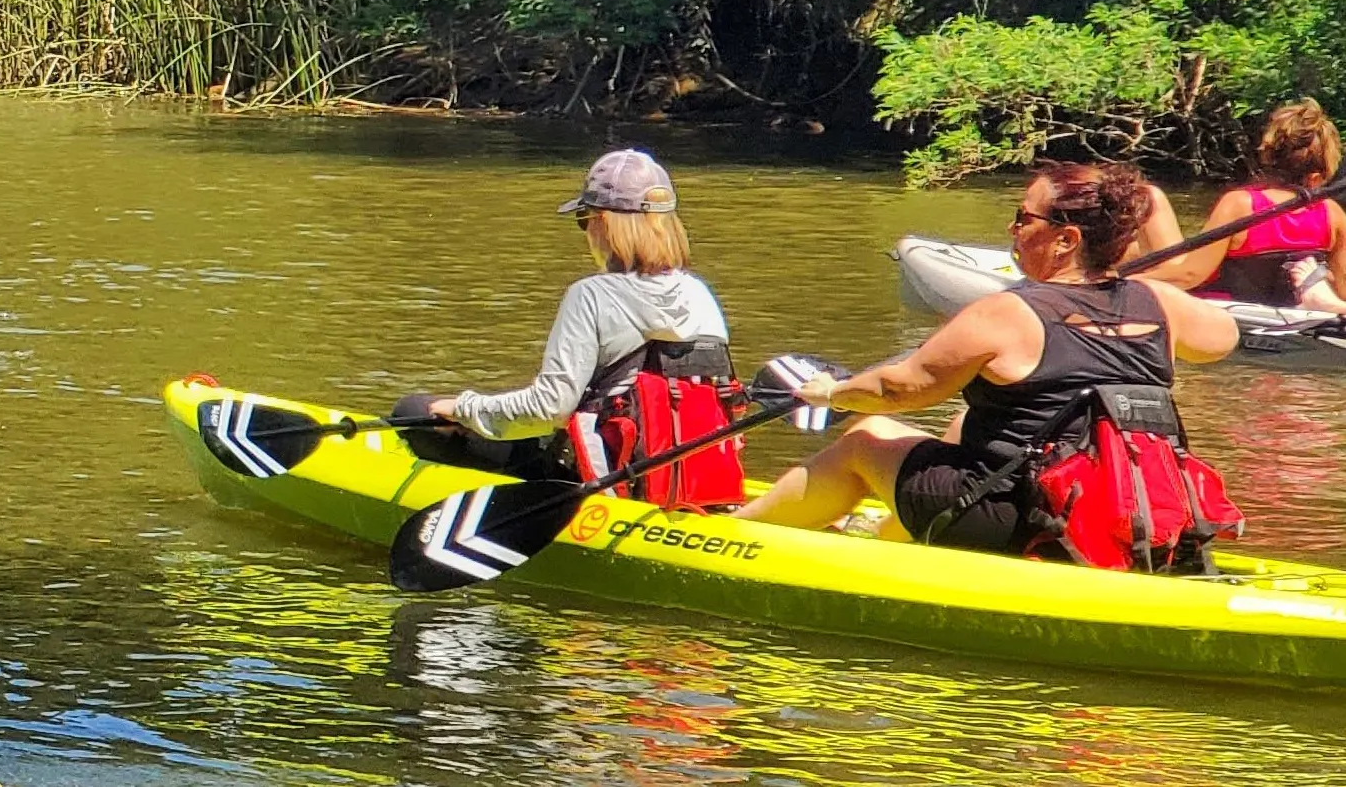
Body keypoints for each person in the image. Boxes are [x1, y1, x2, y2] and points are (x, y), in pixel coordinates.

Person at [740, 162, 1242, 570]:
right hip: (1129, 516)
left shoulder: (1007, 312)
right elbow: (1224, 337)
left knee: (867, 438)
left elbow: (900, 388)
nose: (1013, 228)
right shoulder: (1156, 300)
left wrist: (832, 393)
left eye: (1025, 218)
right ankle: (891, 540)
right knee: (962, 429)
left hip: (1019, 519)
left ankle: (742, 532)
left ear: (1066, 240)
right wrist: (1121, 286)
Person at [393, 150, 750, 508]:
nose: (586, 230)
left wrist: (462, 408)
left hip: (605, 481)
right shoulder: (699, 293)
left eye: (584, 218)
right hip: (690, 478)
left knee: (413, 411)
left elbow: (549, 409)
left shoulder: (591, 294)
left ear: (604, 223)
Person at [1171, 101, 1346, 313]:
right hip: (1291, 312)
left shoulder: (1239, 204)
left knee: (1152, 205)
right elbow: (1343, 285)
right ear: (1318, 176)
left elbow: (1191, 275)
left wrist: (1133, 279)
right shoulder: (1331, 212)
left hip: (1229, 311)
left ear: (1269, 155)